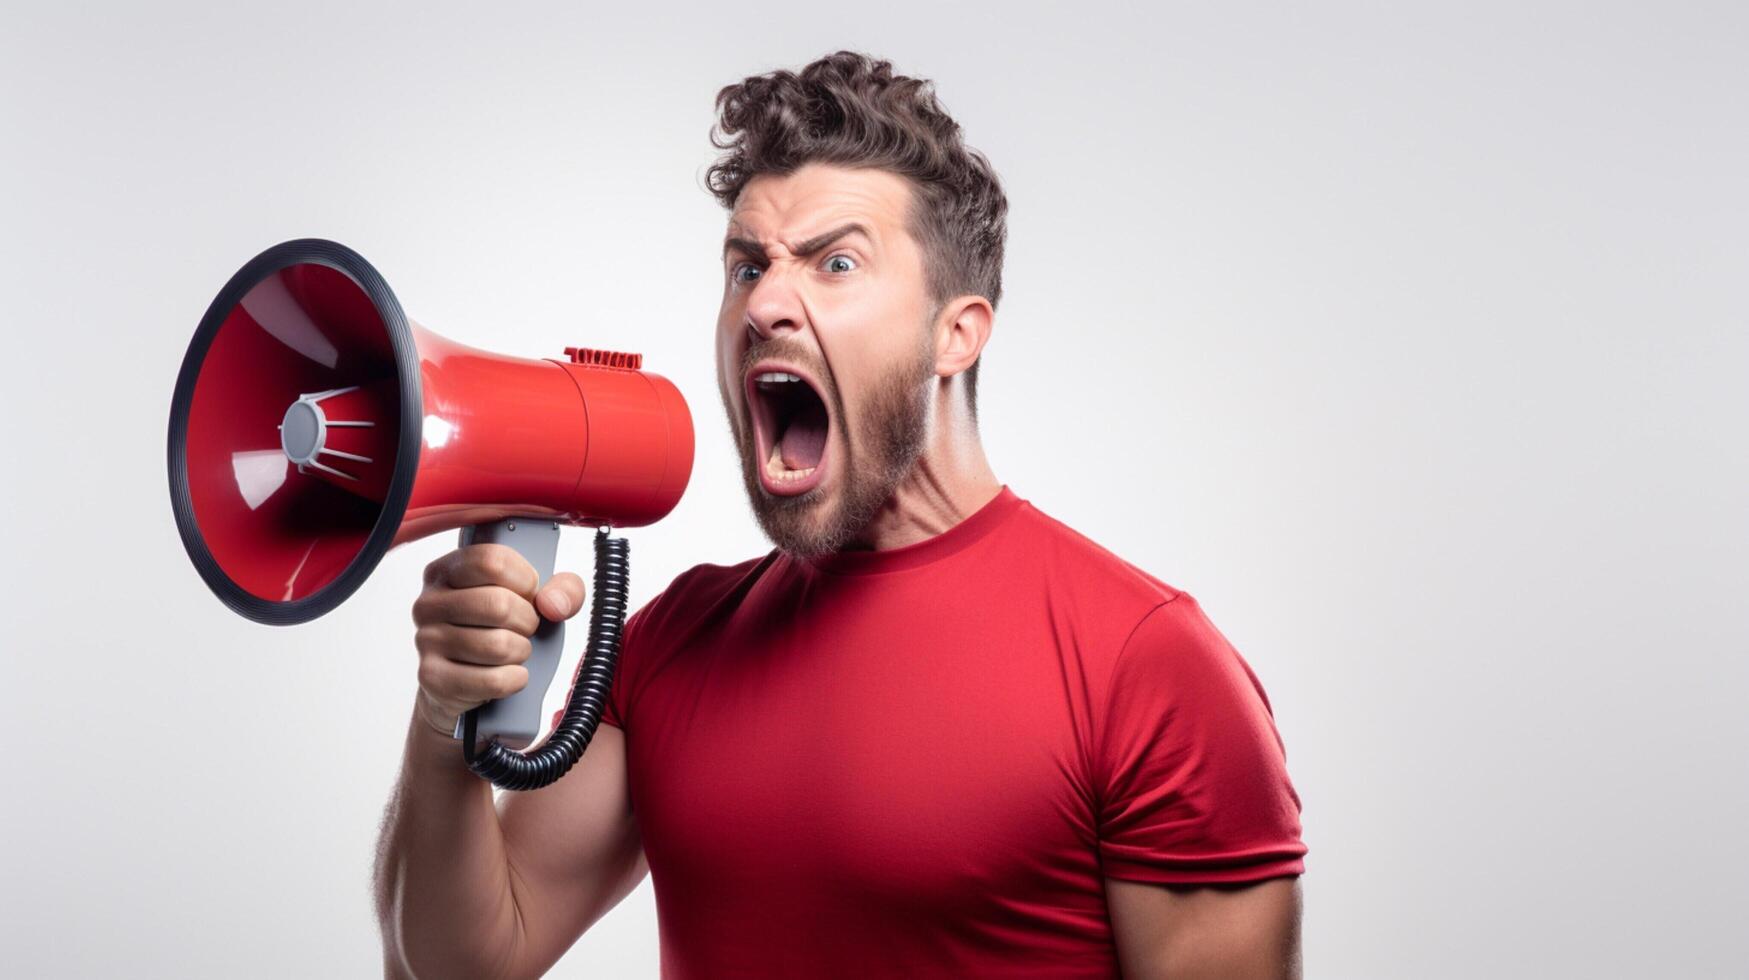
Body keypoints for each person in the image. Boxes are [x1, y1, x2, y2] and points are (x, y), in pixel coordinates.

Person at [375, 50, 1307, 979]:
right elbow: (456, 969)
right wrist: (444, 716)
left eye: (836, 262)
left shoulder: (1145, 665)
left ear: (956, 332)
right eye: (746, 267)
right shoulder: (669, 644)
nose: (767, 304)